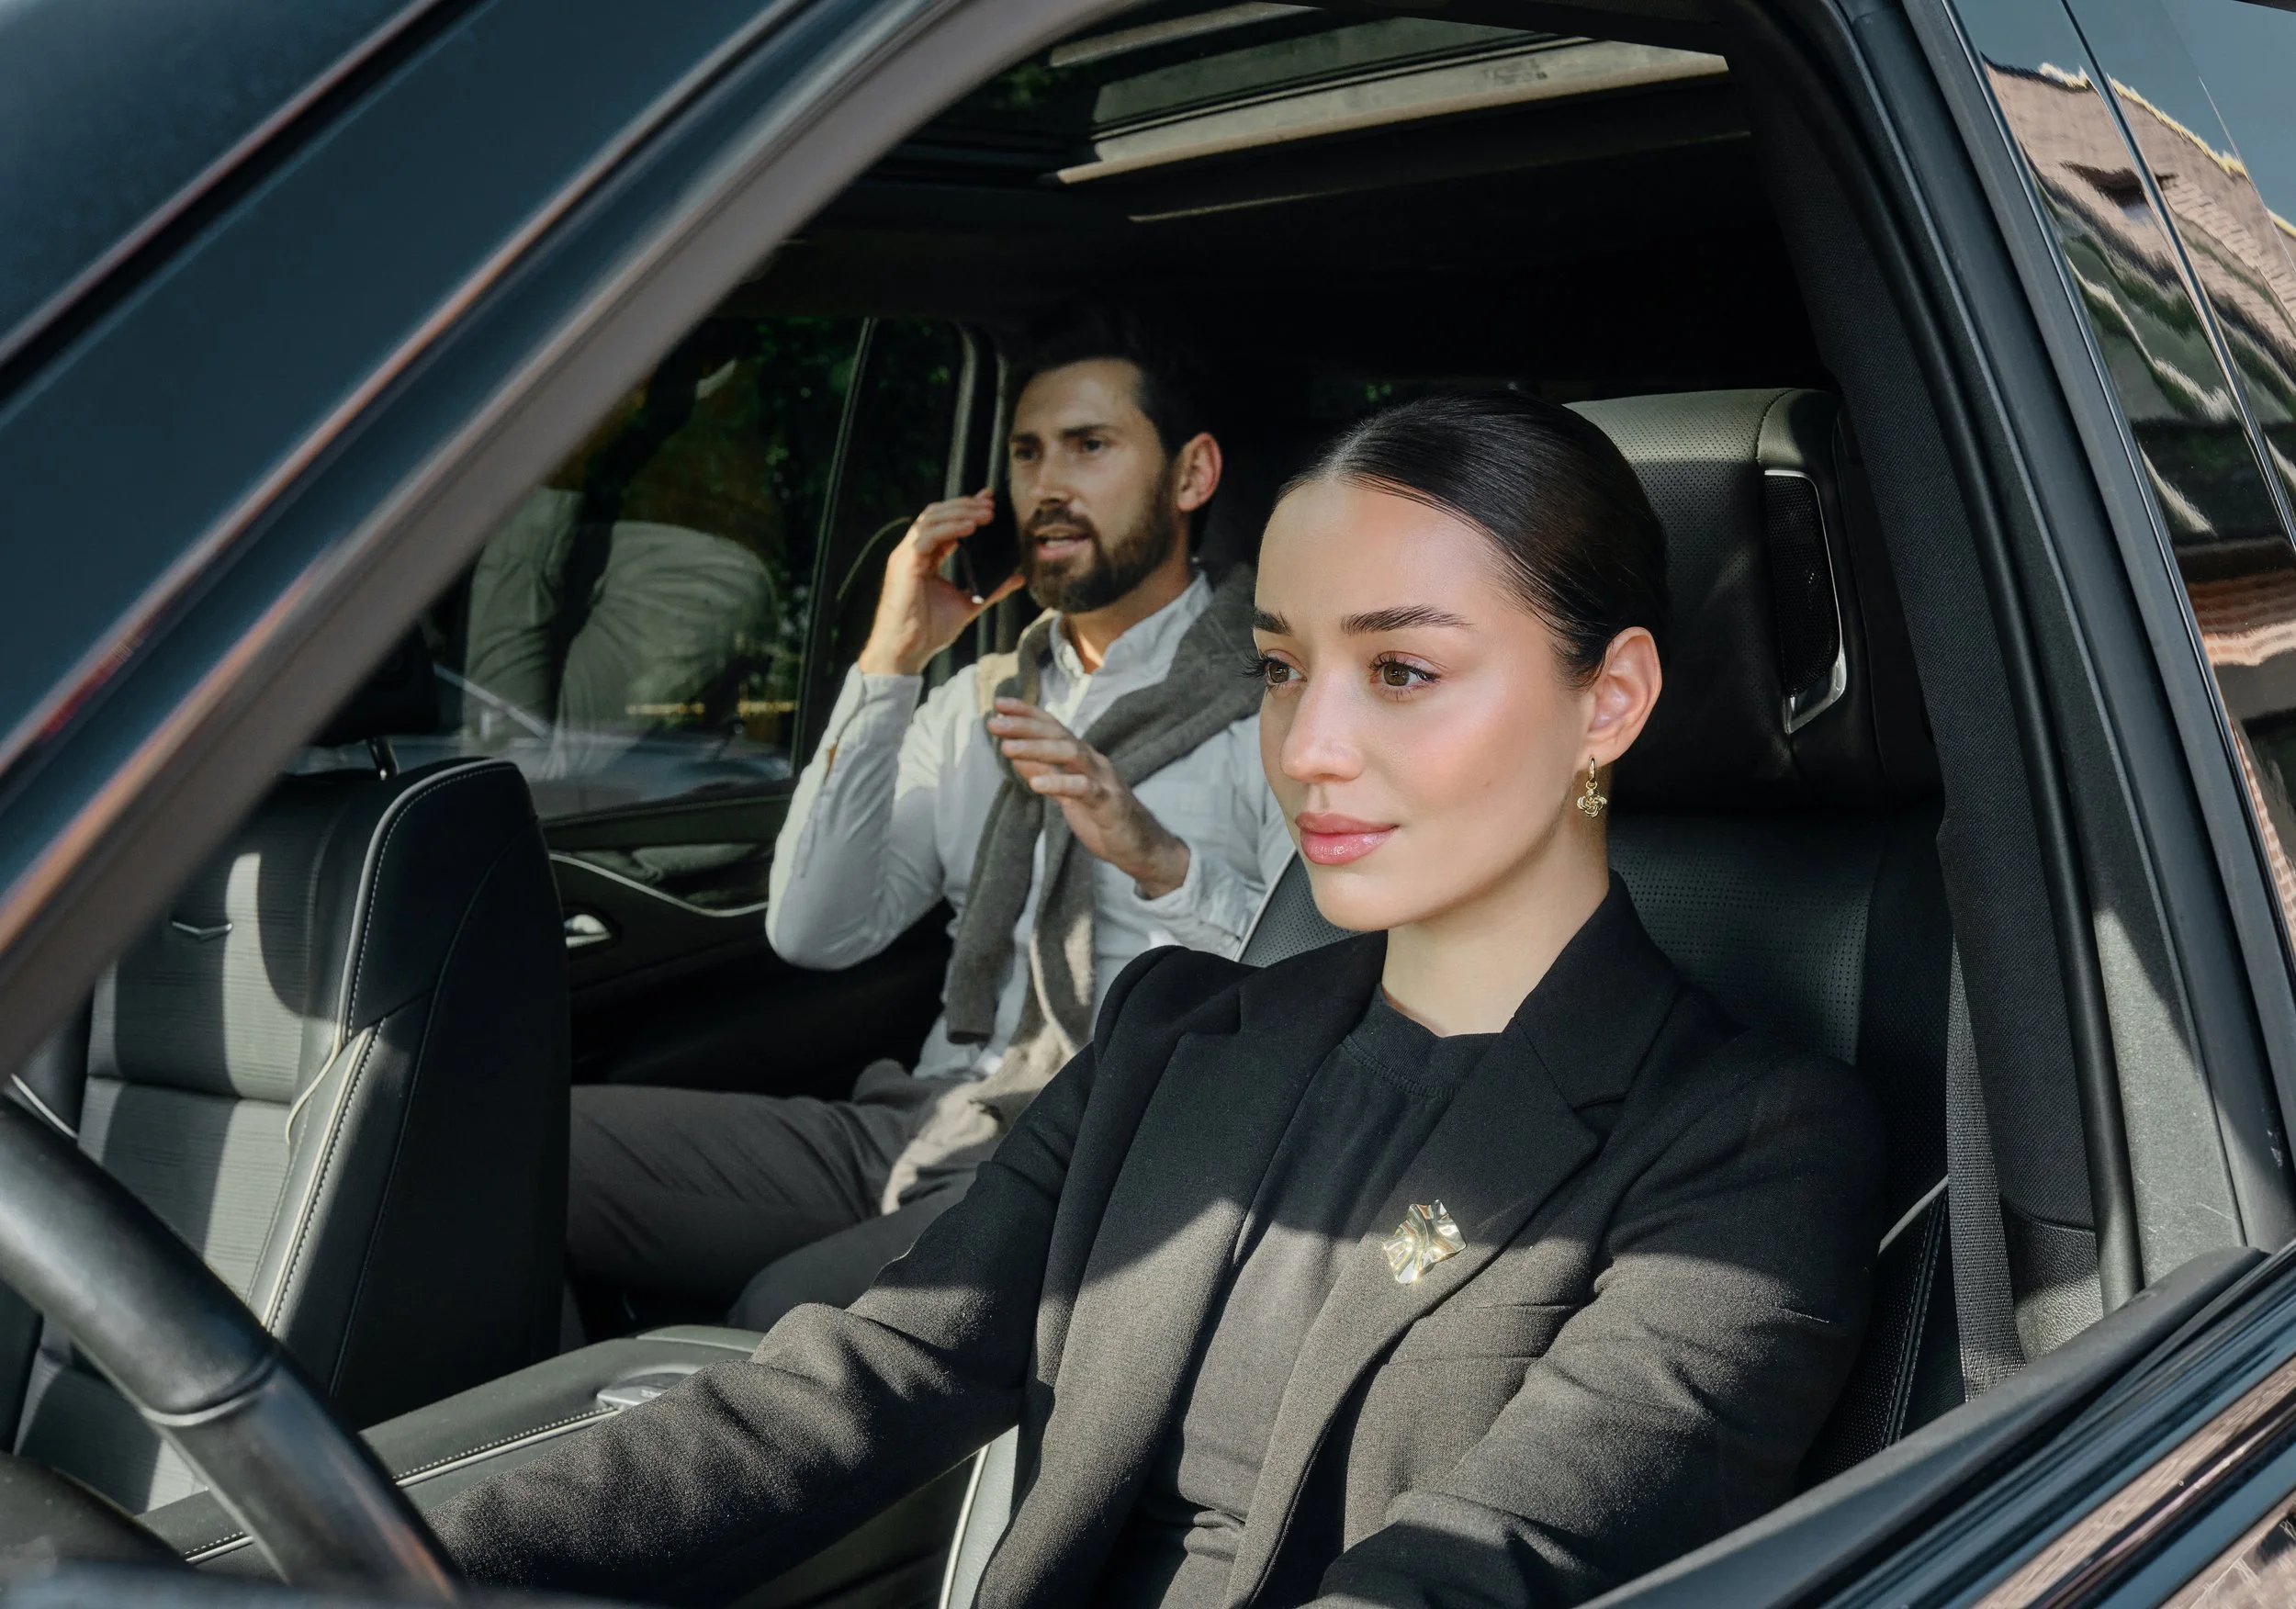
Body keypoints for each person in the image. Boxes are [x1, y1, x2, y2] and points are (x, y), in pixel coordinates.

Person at [435, 392, 1885, 1609]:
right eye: (1278, 668)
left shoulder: (1748, 1139)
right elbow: (857, 1382)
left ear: (1609, 703)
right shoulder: (1172, 1029)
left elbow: (1475, 1574)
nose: (1308, 745)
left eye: (1400, 669)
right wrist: (385, 1568)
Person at [567, 314, 1294, 1332]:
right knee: (529, 1151)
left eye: (1090, 447)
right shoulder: (974, 703)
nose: (1049, 486)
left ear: (1191, 474)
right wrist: (890, 661)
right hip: (925, 1117)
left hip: (1109, 1147)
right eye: (1029, 451)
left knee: (784, 1313)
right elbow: (815, 932)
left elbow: (1313, 988)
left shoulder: (1280, 702)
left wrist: (1157, 859)